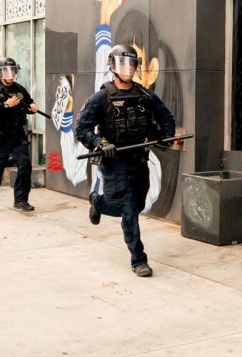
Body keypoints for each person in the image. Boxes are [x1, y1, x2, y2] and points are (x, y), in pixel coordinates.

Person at [75, 44, 177, 278]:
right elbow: (82, 128)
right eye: (122, 64)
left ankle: (98, 203)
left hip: (140, 159)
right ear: (112, 67)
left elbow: (165, 116)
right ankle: (138, 259)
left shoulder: (145, 95)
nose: (127, 69)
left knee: (136, 205)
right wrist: (100, 143)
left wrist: (166, 137)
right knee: (129, 209)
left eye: (131, 64)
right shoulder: (101, 97)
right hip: (115, 162)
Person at [0, 57, 38, 213]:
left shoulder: (19, 89)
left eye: (12, 71)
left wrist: (31, 107)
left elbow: (27, 103)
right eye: (6, 71)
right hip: (0, 136)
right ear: (0, 73)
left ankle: (21, 200)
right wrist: (5, 105)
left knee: (24, 164)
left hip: (17, 134)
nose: (10, 74)